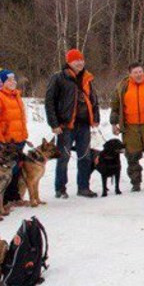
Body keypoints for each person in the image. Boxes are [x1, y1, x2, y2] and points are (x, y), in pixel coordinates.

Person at [45, 48, 100, 199]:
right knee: (64, 157)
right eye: (76, 60)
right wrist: (54, 124)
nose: (80, 63)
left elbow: (94, 100)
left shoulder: (87, 78)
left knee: (85, 156)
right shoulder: (58, 78)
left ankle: (83, 187)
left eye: (81, 60)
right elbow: (49, 102)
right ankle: (60, 188)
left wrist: (95, 118)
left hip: (84, 124)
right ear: (69, 62)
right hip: (65, 125)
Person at [111, 63, 144, 193]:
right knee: (132, 156)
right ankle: (135, 182)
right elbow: (115, 106)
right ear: (130, 74)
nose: (138, 74)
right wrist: (114, 123)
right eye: (135, 72)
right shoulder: (122, 87)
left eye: (140, 71)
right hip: (130, 127)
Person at [0, 69, 29, 203]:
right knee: (5, 172)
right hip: (6, 142)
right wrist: (0, 140)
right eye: (9, 80)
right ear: (1, 83)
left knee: (17, 170)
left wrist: (24, 135)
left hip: (19, 139)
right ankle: (4, 199)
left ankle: (14, 196)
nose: (13, 82)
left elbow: (21, 118)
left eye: (13, 79)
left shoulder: (16, 96)